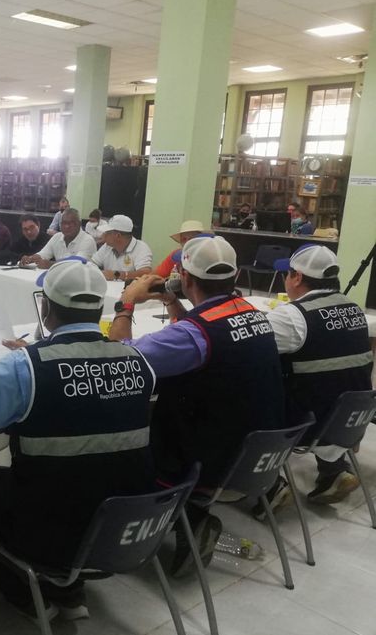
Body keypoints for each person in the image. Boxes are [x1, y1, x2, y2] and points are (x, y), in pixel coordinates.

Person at [0, 259, 155, 619]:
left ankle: (26, 593)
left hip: (52, 529)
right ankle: (68, 591)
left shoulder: (26, 366)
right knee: (93, 473)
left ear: (46, 307)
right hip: (125, 529)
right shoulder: (137, 359)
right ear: (99, 307)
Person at [108, 236, 286, 576]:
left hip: (208, 462)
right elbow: (206, 331)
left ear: (186, 277)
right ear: (233, 278)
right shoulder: (253, 312)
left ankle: (178, 516)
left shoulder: (194, 335)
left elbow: (117, 360)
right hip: (257, 455)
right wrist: (174, 302)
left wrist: (126, 304)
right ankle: (193, 517)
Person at [265, 245, 372, 507]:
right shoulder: (354, 308)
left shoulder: (293, 316)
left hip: (307, 425)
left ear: (297, 277)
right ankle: (333, 470)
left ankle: (269, 485)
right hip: (351, 420)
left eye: (286, 275)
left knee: (248, 386)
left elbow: (247, 349)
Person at [22, 208, 95, 269]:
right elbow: (43, 254)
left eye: (71, 223)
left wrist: (50, 264)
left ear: (79, 224)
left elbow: (77, 264)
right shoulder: (57, 237)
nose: (67, 226)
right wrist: (30, 259)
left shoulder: (88, 240)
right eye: (64, 223)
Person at [91, 214, 153, 281]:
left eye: (107, 233)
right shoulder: (107, 246)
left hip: (129, 290)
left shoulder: (141, 248)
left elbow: (146, 273)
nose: (103, 235)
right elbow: (92, 263)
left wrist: (116, 275)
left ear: (118, 236)